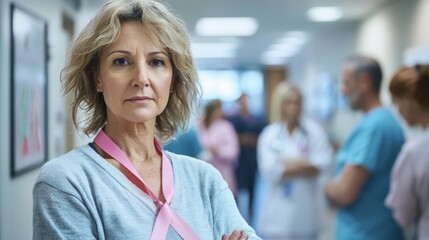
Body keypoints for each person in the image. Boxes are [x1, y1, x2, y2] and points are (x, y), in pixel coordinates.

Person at [32, 1, 260, 239]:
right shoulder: (67, 182)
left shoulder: (205, 179)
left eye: (156, 62)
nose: (141, 78)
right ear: (97, 78)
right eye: (121, 61)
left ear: (172, 80)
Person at [325, 55, 405, 240]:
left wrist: (327, 188)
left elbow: (344, 193)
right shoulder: (382, 122)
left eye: (346, 83)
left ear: (364, 82)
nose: (342, 90)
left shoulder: (375, 127)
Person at [257, 82, 333, 240]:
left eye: (297, 102)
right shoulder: (269, 134)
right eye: (289, 102)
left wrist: (285, 163)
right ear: (281, 104)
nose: (294, 107)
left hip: (308, 214)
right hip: (277, 215)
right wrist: (305, 162)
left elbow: (322, 164)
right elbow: (269, 170)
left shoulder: (314, 131)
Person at [385, 64, 429, 239]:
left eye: (397, 101)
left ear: (410, 99)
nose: (398, 110)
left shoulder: (415, 151)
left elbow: (403, 216)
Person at [227, 93, 266, 222]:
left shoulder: (258, 119)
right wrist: (242, 139)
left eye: (246, 100)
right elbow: (230, 136)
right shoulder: (233, 119)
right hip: (238, 163)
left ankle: (251, 220)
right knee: (236, 193)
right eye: (241, 101)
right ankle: (235, 220)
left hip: (253, 162)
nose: (244, 103)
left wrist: (248, 140)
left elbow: (263, 136)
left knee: (252, 192)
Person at [197, 99, 240, 196]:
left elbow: (234, 151)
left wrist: (218, 150)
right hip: (203, 172)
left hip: (223, 172)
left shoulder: (226, 127)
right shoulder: (200, 126)